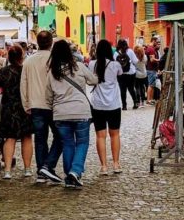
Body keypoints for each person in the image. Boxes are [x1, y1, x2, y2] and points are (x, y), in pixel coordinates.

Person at [48, 39, 99, 188]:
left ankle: (69, 176)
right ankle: (75, 172)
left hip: (60, 113)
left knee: (67, 144)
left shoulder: (52, 72)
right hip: (81, 111)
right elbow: (94, 80)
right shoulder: (79, 67)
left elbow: (48, 95)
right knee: (82, 143)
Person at [21, 30, 62, 184]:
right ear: (51, 42)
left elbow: (23, 84)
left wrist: (26, 104)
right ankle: (48, 164)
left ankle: (41, 171)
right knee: (60, 136)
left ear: (37, 43)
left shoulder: (28, 61)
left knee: (40, 139)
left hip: (35, 104)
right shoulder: (55, 60)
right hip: (54, 104)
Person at [0, 45, 34, 179]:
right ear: (21, 57)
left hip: (9, 107)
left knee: (9, 138)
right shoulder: (26, 71)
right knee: (26, 137)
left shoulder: (5, 71)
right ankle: (27, 169)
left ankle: (8, 170)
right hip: (25, 106)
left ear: (9, 57)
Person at [89, 39, 123, 175]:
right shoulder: (115, 65)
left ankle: (103, 166)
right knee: (115, 135)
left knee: (100, 136)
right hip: (113, 104)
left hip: (97, 105)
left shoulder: (92, 64)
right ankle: (116, 163)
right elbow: (121, 74)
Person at [116, 39, 139, 109]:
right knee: (131, 88)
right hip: (131, 73)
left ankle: (124, 106)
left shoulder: (116, 53)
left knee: (122, 90)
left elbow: (115, 64)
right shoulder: (130, 51)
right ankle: (135, 103)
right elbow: (136, 61)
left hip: (121, 74)